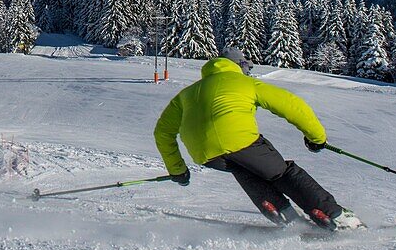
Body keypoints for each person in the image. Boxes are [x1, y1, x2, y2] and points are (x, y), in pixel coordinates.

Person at [153, 47, 364, 230]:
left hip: (205, 154)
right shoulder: (245, 83)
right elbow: (292, 105)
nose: (248, 71)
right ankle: (334, 216)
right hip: (240, 141)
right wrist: (316, 138)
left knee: (244, 169)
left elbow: (163, 132)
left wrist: (177, 170)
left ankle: (282, 213)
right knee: (282, 172)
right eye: (247, 67)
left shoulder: (186, 94)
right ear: (239, 65)